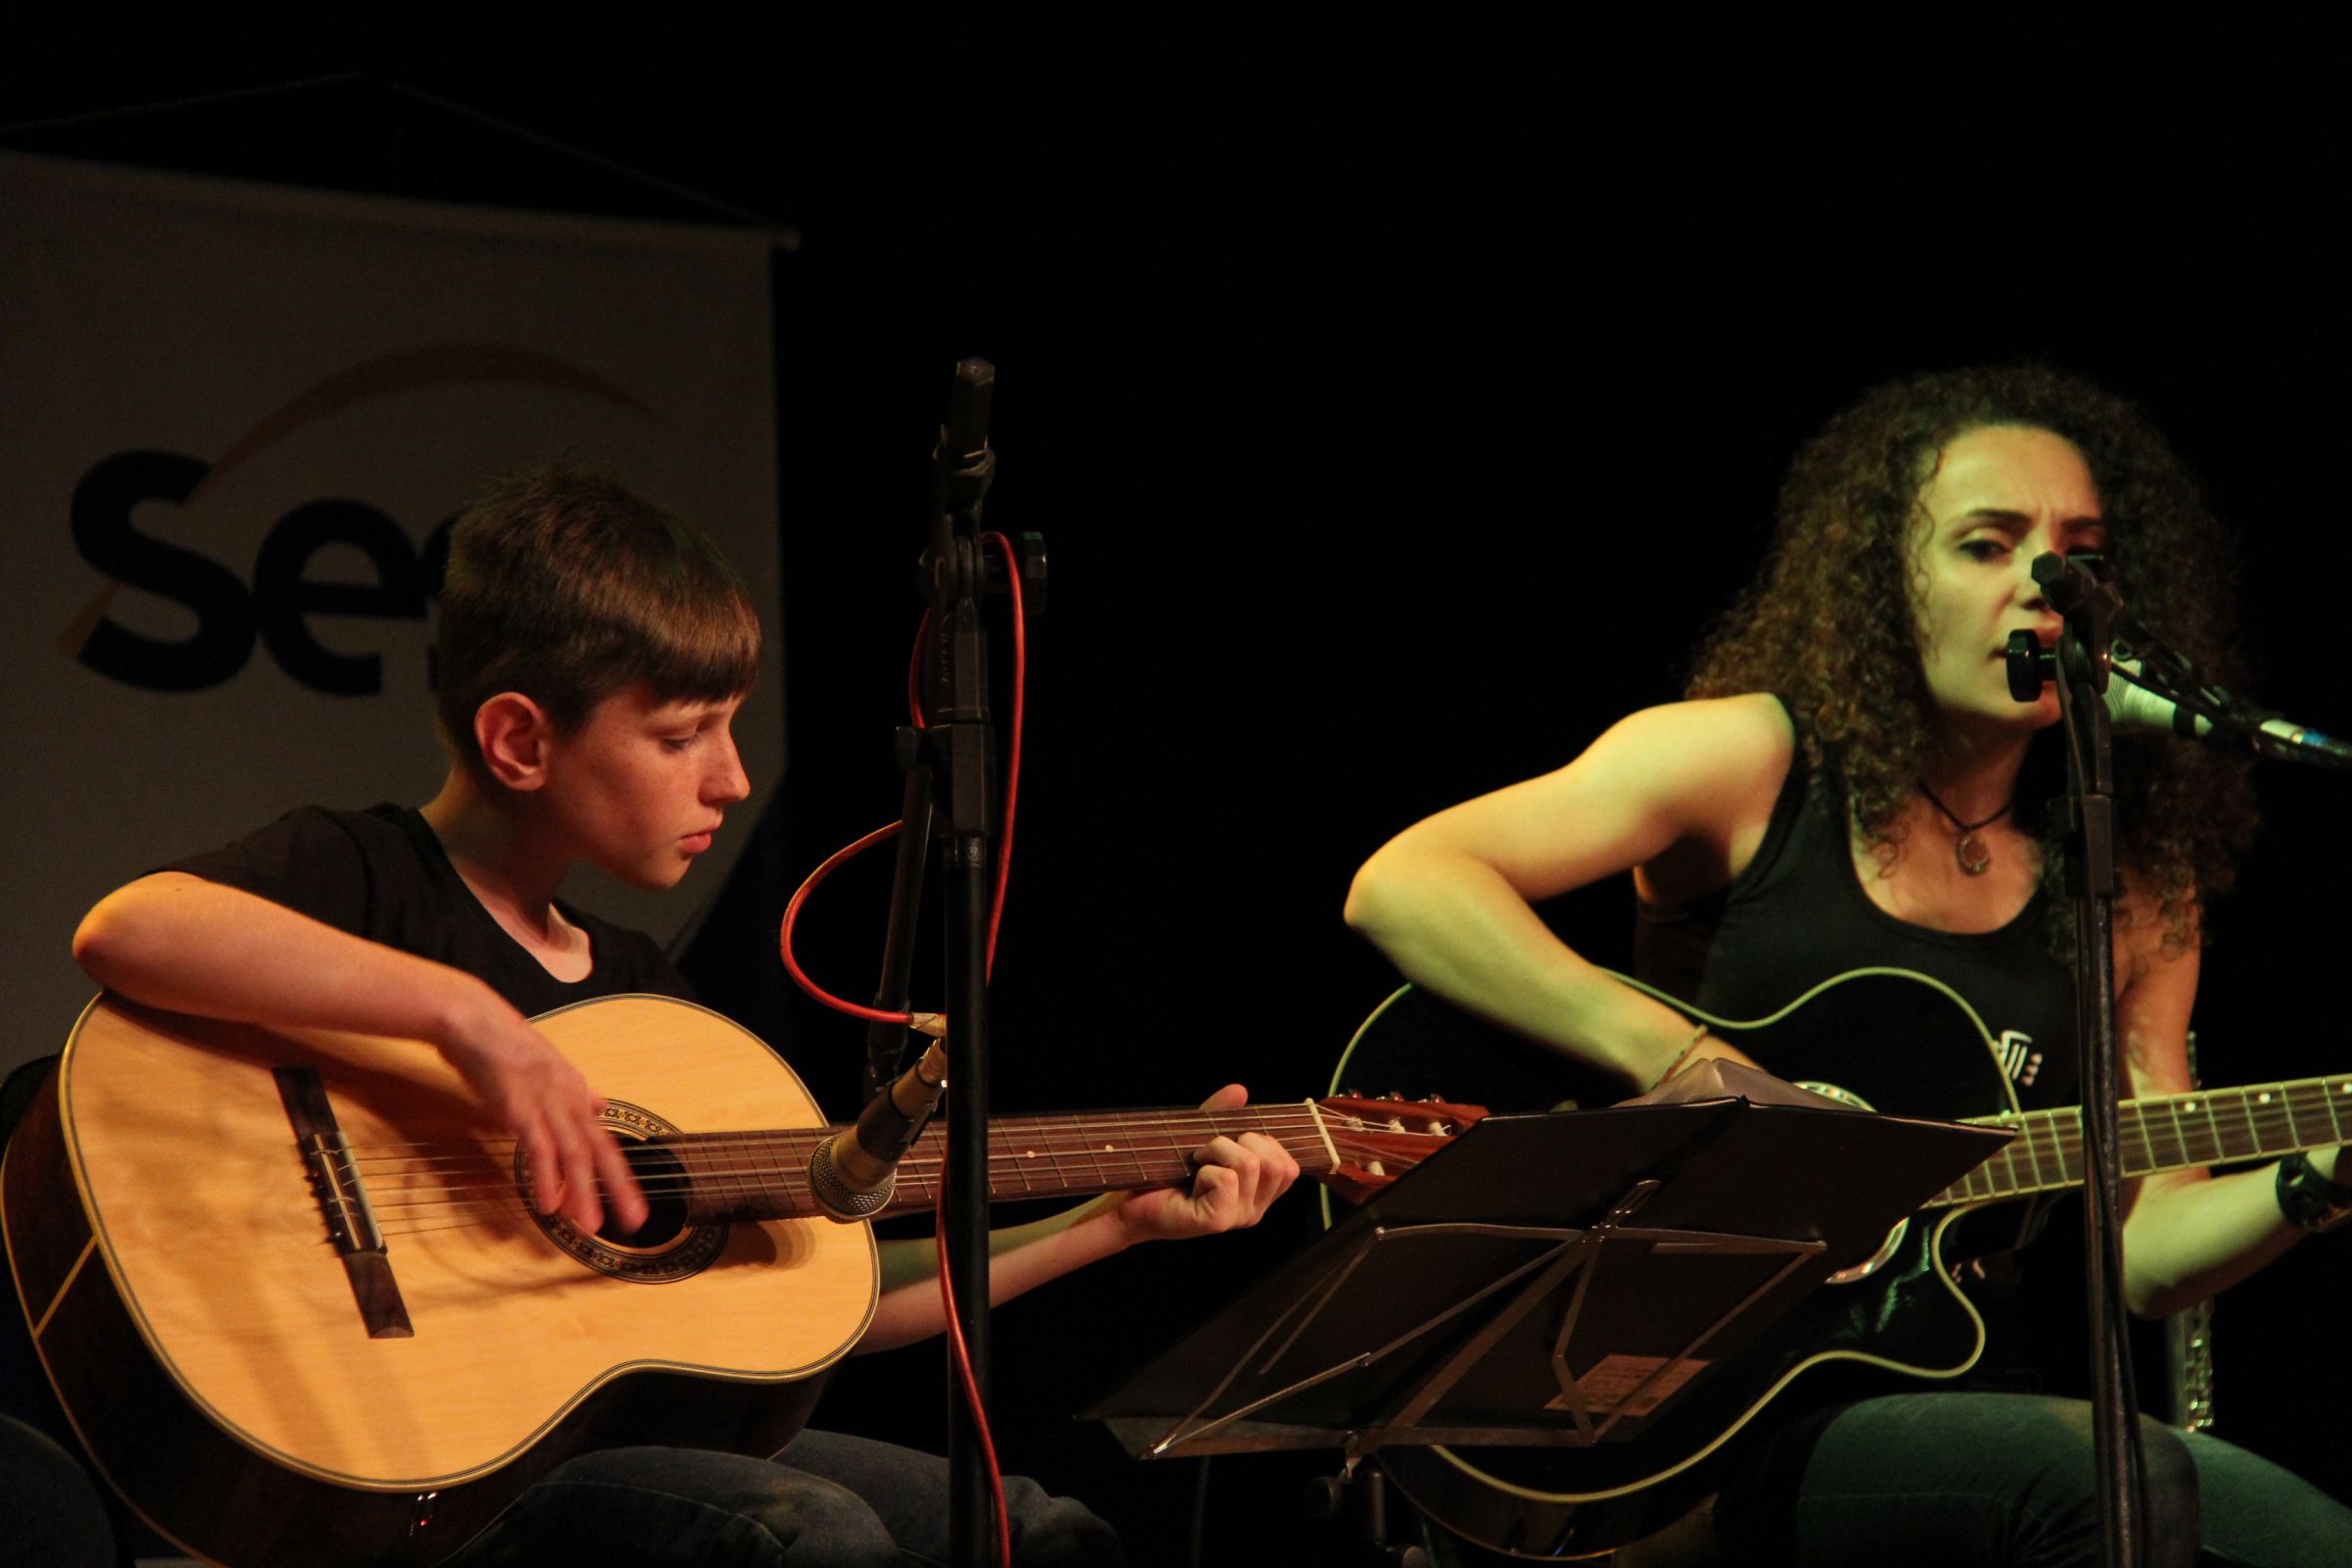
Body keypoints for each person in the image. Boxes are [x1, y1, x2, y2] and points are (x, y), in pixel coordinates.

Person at [48, 463, 1299, 1566]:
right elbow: (130, 928)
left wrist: (1110, 1221)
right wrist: (470, 1021)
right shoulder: (367, 875)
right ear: (520, 741)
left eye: (732, 728)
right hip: (422, 1462)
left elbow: (825, 1293)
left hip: (605, 1445)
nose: (733, 778)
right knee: (806, 1535)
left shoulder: (650, 999)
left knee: (1046, 1532)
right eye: (684, 733)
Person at [1343, 365, 2351, 1566]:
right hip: (1690, 1410)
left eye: (2081, 551)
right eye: (1987, 543)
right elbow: (1406, 881)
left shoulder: (2133, 885)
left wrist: (2321, 1176)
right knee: (2113, 1480)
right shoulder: (1747, 763)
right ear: (1885, 581)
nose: (2046, 583)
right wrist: (1694, 1062)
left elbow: (2143, 1251)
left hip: (1940, 1391)